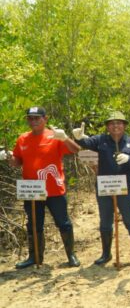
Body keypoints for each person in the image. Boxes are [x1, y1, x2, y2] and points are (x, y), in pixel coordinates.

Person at [6, 107, 81, 268]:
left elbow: (76, 150)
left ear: (45, 119)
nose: (33, 121)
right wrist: (10, 159)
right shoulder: (22, 139)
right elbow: (18, 161)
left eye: (37, 118)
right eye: (30, 118)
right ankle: (35, 257)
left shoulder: (54, 136)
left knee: (63, 223)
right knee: (33, 224)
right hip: (32, 190)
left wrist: (65, 137)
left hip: (54, 190)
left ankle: (71, 255)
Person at [73, 111, 130, 266]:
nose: (115, 126)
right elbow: (86, 143)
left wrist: (129, 159)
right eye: (112, 123)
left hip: (125, 187)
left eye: (119, 123)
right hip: (104, 186)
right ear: (107, 127)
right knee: (105, 220)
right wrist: (78, 137)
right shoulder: (101, 140)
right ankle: (106, 254)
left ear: (124, 125)